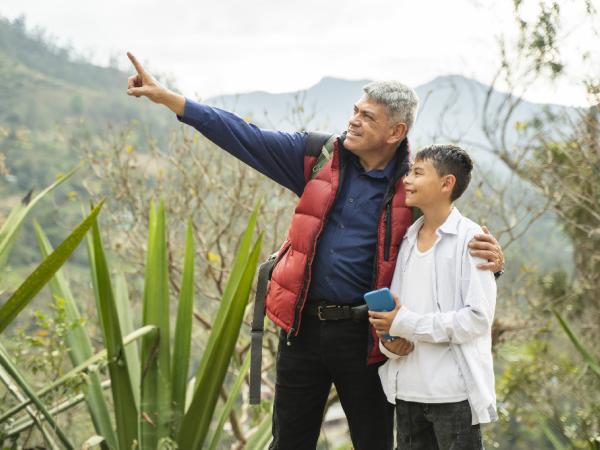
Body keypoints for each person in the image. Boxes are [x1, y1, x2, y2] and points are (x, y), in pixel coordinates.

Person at [125, 52, 505, 450]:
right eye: (356, 110)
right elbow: (244, 136)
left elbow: (450, 244)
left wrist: (492, 265)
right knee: (288, 442)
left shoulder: (413, 186)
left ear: (395, 132)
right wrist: (171, 99)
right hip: (302, 328)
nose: (354, 120)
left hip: (366, 339)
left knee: (374, 442)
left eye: (368, 117)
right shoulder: (316, 157)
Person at [369, 144, 497, 450]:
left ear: (446, 183)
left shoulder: (472, 240)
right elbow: (397, 313)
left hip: (453, 395)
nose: (407, 180)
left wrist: (407, 324)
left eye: (417, 173)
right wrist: (390, 342)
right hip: (407, 391)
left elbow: (477, 319)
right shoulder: (407, 239)